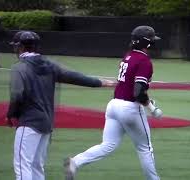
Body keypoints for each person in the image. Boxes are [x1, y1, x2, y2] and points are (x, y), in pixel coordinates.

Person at [6, 30, 114, 180]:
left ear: (21, 47)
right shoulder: (49, 65)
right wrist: (99, 82)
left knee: (23, 165)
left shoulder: (19, 68)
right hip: (47, 123)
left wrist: (11, 114)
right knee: (37, 166)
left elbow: (17, 95)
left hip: (29, 122)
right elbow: (74, 77)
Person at [64, 25, 162, 180]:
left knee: (108, 145)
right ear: (147, 43)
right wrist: (151, 107)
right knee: (145, 148)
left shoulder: (128, 56)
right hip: (130, 108)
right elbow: (137, 92)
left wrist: (149, 104)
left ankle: (75, 162)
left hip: (114, 105)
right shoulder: (144, 61)